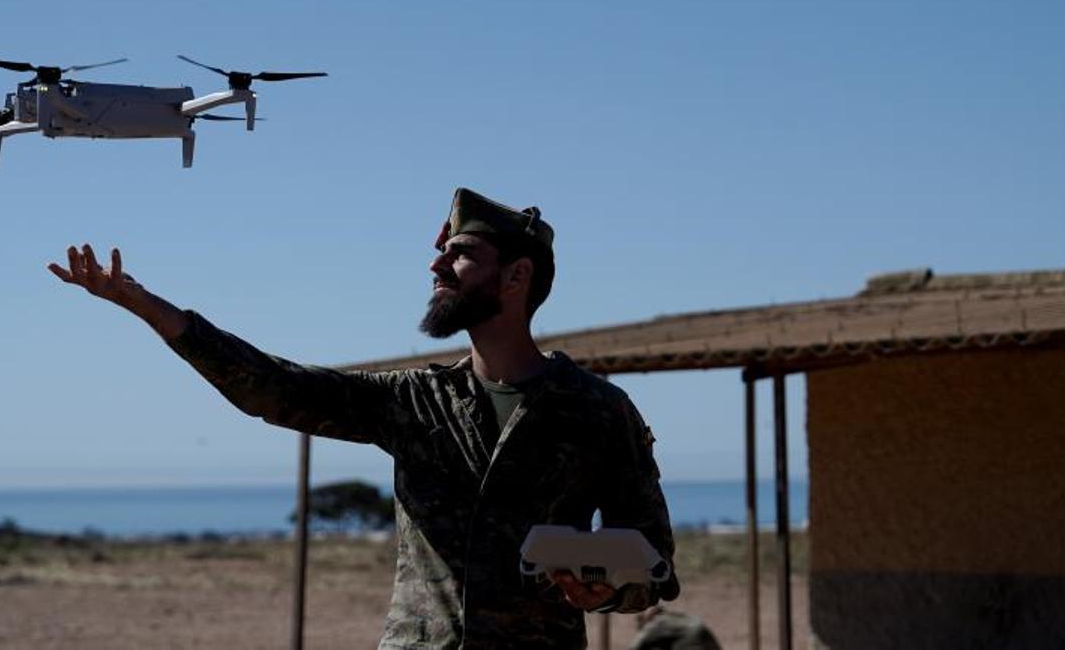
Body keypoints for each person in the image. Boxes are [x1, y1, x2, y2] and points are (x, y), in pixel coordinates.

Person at [48, 187, 679, 649]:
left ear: (517, 276)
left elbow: (653, 565)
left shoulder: (598, 411)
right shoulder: (412, 400)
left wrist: (610, 592)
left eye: (460, 255)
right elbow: (271, 389)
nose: (435, 267)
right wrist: (145, 306)